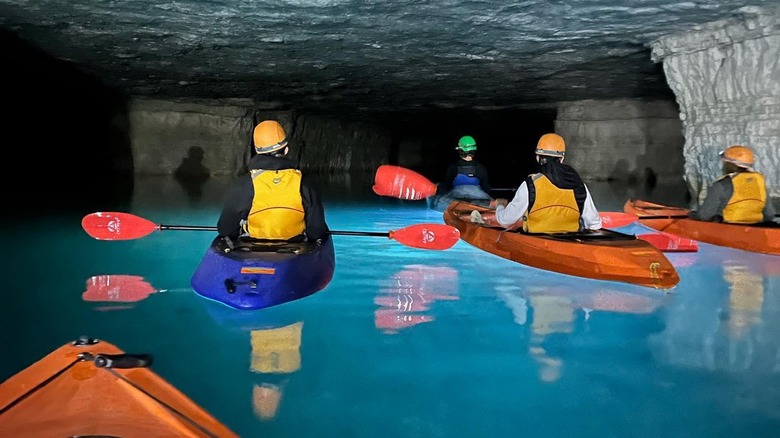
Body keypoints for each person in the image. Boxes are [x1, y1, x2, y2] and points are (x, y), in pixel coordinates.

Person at [217, 120, 329, 246]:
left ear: (257, 151)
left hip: (253, 248)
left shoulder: (245, 183)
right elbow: (316, 230)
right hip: (295, 247)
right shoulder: (304, 183)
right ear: (286, 149)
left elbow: (226, 228)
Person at [493, 133, 602, 233]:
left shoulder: (531, 184)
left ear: (537, 157)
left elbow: (506, 220)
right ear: (562, 158)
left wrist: (500, 207)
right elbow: (595, 224)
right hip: (572, 241)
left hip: (536, 242)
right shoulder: (579, 184)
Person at [689, 144, 775, 223]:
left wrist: (693, 214)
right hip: (755, 230)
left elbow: (705, 216)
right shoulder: (759, 182)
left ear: (728, 164)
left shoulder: (721, 185)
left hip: (728, 231)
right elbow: (769, 214)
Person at [436, 135, 492, 200]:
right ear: (474, 151)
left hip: (456, 202)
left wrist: (438, 186)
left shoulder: (453, 169)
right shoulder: (481, 169)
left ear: (460, 151)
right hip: (477, 203)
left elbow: (447, 187)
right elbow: (486, 189)